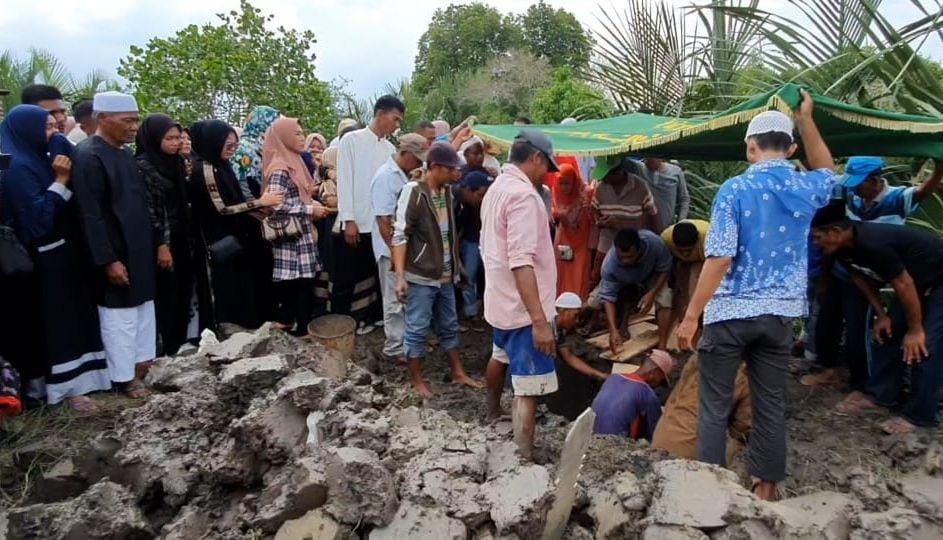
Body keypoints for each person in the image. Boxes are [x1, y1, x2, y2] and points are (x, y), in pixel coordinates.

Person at [676, 90, 836, 501]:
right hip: (779, 317)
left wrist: (692, 315)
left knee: (714, 405)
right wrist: (806, 118)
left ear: (750, 146)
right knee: (769, 403)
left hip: (730, 314)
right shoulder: (805, 188)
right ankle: (765, 489)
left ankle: (709, 493)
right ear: (791, 149)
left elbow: (719, 258)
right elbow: (828, 169)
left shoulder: (733, 191)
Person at [0, 105, 111, 411]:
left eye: (55, 126)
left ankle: (78, 384)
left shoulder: (37, 157)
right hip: (42, 260)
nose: (54, 134)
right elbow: (37, 221)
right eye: (47, 128)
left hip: (60, 254)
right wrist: (61, 181)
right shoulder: (18, 167)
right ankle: (60, 391)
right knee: (56, 324)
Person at [803, 157, 943, 388]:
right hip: (850, 266)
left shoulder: (896, 198)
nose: (855, 189)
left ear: (875, 180)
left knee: (861, 325)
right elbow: (821, 170)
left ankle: (864, 383)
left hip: (881, 268)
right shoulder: (850, 195)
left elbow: (922, 192)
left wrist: (938, 169)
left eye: (860, 184)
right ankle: (829, 368)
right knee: (828, 317)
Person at [811, 199, 943, 435]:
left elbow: (903, 283)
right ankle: (882, 396)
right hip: (915, 284)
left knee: (925, 344)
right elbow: (860, 278)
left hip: (936, 280)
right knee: (887, 333)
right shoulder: (841, 248)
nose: (815, 242)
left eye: (817, 237)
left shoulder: (873, 243)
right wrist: (882, 314)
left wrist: (915, 330)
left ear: (836, 231)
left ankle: (921, 417)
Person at [71, 92, 158, 399]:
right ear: (103, 119)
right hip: (115, 252)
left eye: (136, 120)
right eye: (128, 120)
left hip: (139, 249)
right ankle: (124, 378)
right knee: (120, 318)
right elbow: (90, 214)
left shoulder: (123, 154)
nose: (134, 126)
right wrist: (108, 260)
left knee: (143, 310)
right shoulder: (87, 156)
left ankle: (142, 366)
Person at [481, 129, 559, 459]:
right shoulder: (525, 197)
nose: (547, 175)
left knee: (499, 356)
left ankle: (491, 412)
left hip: (500, 301)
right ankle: (522, 455)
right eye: (546, 166)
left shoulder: (497, 187)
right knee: (528, 386)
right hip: (523, 309)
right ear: (536, 157)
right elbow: (522, 262)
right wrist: (539, 321)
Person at [391, 143, 482, 397]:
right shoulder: (414, 192)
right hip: (421, 275)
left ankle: (457, 372)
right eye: (451, 169)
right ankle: (417, 380)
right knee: (417, 327)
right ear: (435, 167)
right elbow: (399, 236)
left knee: (450, 324)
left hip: (444, 275)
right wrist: (400, 277)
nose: (457, 173)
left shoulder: (448, 194)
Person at [189, 120, 283, 330]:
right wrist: (260, 202)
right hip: (219, 238)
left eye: (234, 146)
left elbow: (236, 200)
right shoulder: (205, 169)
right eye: (228, 146)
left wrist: (260, 210)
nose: (232, 150)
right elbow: (222, 208)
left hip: (239, 234)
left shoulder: (222, 165)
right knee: (230, 285)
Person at [336, 95, 404, 333]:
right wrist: (349, 219)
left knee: (376, 274)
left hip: (381, 221)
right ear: (380, 113)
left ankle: (372, 317)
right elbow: (344, 180)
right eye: (395, 119)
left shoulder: (389, 148)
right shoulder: (351, 140)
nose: (397, 125)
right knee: (350, 274)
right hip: (357, 219)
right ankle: (345, 322)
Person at [486, 292, 609, 419]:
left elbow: (569, 358)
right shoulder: (544, 326)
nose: (577, 321)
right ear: (563, 311)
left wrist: (598, 374)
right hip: (521, 364)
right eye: (575, 316)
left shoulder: (559, 330)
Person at [137, 114, 201, 355]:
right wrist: (161, 245)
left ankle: (179, 342)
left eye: (178, 138)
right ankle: (165, 346)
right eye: (170, 138)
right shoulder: (144, 166)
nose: (176, 143)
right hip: (162, 241)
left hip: (182, 236)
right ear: (155, 139)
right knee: (166, 293)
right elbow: (151, 211)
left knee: (183, 289)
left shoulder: (176, 163)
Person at [263, 117, 330, 336]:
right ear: (283, 137)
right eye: (297, 134)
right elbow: (275, 204)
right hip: (291, 235)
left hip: (301, 233)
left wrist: (313, 204)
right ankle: (298, 329)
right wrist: (310, 210)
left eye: (302, 133)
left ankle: (301, 327)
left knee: (304, 282)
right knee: (297, 283)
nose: (302, 138)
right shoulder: (281, 167)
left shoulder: (296, 162)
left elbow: (301, 194)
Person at [370, 133, 427, 363]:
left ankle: (407, 342)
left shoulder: (404, 175)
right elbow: (384, 221)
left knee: (405, 297)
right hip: (390, 249)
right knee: (394, 300)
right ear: (405, 154)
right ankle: (394, 347)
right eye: (417, 158)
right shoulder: (386, 177)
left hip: (403, 247)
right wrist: (396, 255)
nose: (419, 163)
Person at [652, 355, 751, 462]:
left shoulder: (698, 356)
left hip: (662, 435)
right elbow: (743, 427)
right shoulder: (743, 376)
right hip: (690, 449)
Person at [597, 228, 673, 353]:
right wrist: (613, 330)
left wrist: (652, 293)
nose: (625, 261)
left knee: (665, 297)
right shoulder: (609, 265)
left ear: (639, 248)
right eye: (621, 257)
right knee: (595, 301)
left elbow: (665, 268)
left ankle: (662, 344)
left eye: (630, 256)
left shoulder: (655, 243)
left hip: (650, 275)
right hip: (622, 279)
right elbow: (608, 298)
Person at [591, 155, 657, 287]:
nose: (603, 179)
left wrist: (652, 238)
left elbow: (652, 214)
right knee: (597, 273)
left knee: (633, 274)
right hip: (608, 238)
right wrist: (600, 222)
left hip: (634, 239)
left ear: (617, 172)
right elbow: (594, 209)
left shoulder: (640, 186)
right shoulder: (601, 188)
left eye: (606, 175)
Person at [591, 349, 677, 439]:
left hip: (590, 440)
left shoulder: (612, 378)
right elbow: (655, 434)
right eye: (661, 379)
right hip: (614, 446)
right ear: (653, 372)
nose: (659, 383)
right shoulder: (647, 394)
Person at [552, 163, 596, 301]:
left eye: (567, 183)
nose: (564, 187)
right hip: (565, 239)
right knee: (563, 272)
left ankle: (577, 308)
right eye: (561, 183)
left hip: (582, 240)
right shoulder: (556, 192)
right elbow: (553, 213)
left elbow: (593, 217)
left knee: (580, 272)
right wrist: (559, 215)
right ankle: (562, 306)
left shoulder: (587, 192)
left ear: (574, 180)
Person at [454, 170, 491, 319]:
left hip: (478, 240)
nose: (483, 199)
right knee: (468, 276)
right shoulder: (453, 200)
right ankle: (469, 312)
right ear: (469, 190)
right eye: (480, 195)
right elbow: (455, 233)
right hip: (469, 241)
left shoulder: (471, 203)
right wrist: (457, 260)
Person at [661, 219, 710, 328]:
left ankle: (699, 323)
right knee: (679, 290)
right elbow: (666, 265)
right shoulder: (665, 239)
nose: (685, 253)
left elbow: (711, 271)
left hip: (703, 259)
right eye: (681, 250)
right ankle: (680, 320)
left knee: (696, 288)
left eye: (688, 250)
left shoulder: (708, 239)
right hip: (679, 261)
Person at [231, 105, 279, 198]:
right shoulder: (243, 148)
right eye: (274, 123)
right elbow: (241, 181)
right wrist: (254, 205)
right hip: (251, 206)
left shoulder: (262, 145)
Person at [641, 158, 690, 233]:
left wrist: (680, 223)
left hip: (667, 228)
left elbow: (684, 199)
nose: (647, 161)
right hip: (643, 229)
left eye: (652, 160)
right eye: (646, 159)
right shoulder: (638, 168)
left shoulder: (675, 171)